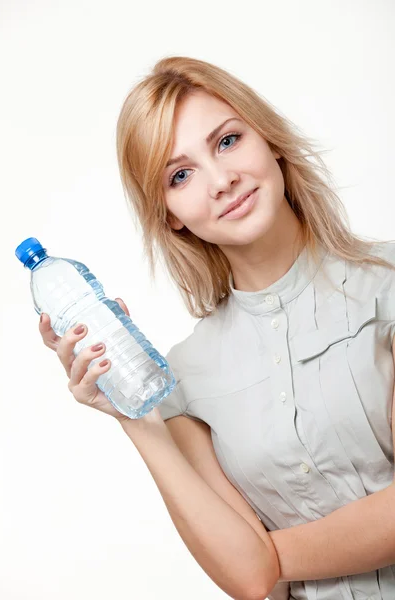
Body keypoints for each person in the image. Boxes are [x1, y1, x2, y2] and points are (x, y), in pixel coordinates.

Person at [39, 56, 395, 600]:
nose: (222, 180)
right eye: (181, 175)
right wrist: (133, 415)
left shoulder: (387, 286)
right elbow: (253, 588)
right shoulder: (186, 377)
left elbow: (253, 567)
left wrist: (265, 553)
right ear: (170, 214)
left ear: (269, 140)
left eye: (227, 141)